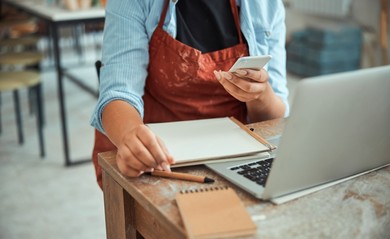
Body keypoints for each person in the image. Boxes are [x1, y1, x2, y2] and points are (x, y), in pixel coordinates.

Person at [90, 0, 290, 188]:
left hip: (234, 156)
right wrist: (129, 137)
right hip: (158, 160)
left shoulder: (267, 5)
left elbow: (274, 121)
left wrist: (259, 95)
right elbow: (118, 91)